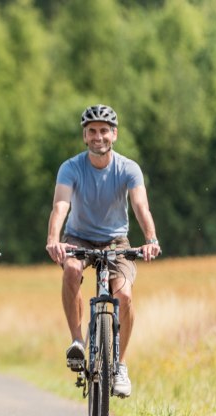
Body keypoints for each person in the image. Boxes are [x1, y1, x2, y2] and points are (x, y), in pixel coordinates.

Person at [45, 104, 161, 398]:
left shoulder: (128, 168)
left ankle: (120, 365)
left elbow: (140, 206)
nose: (99, 137)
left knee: (124, 295)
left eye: (104, 131)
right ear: (85, 136)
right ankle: (77, 342)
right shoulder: (71, 167)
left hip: (116, 241)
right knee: (71, 270)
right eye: (92, 131)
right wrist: (53, 238)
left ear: (114, 134)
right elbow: (61, 205)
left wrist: (151, 238)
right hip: (78, 238)